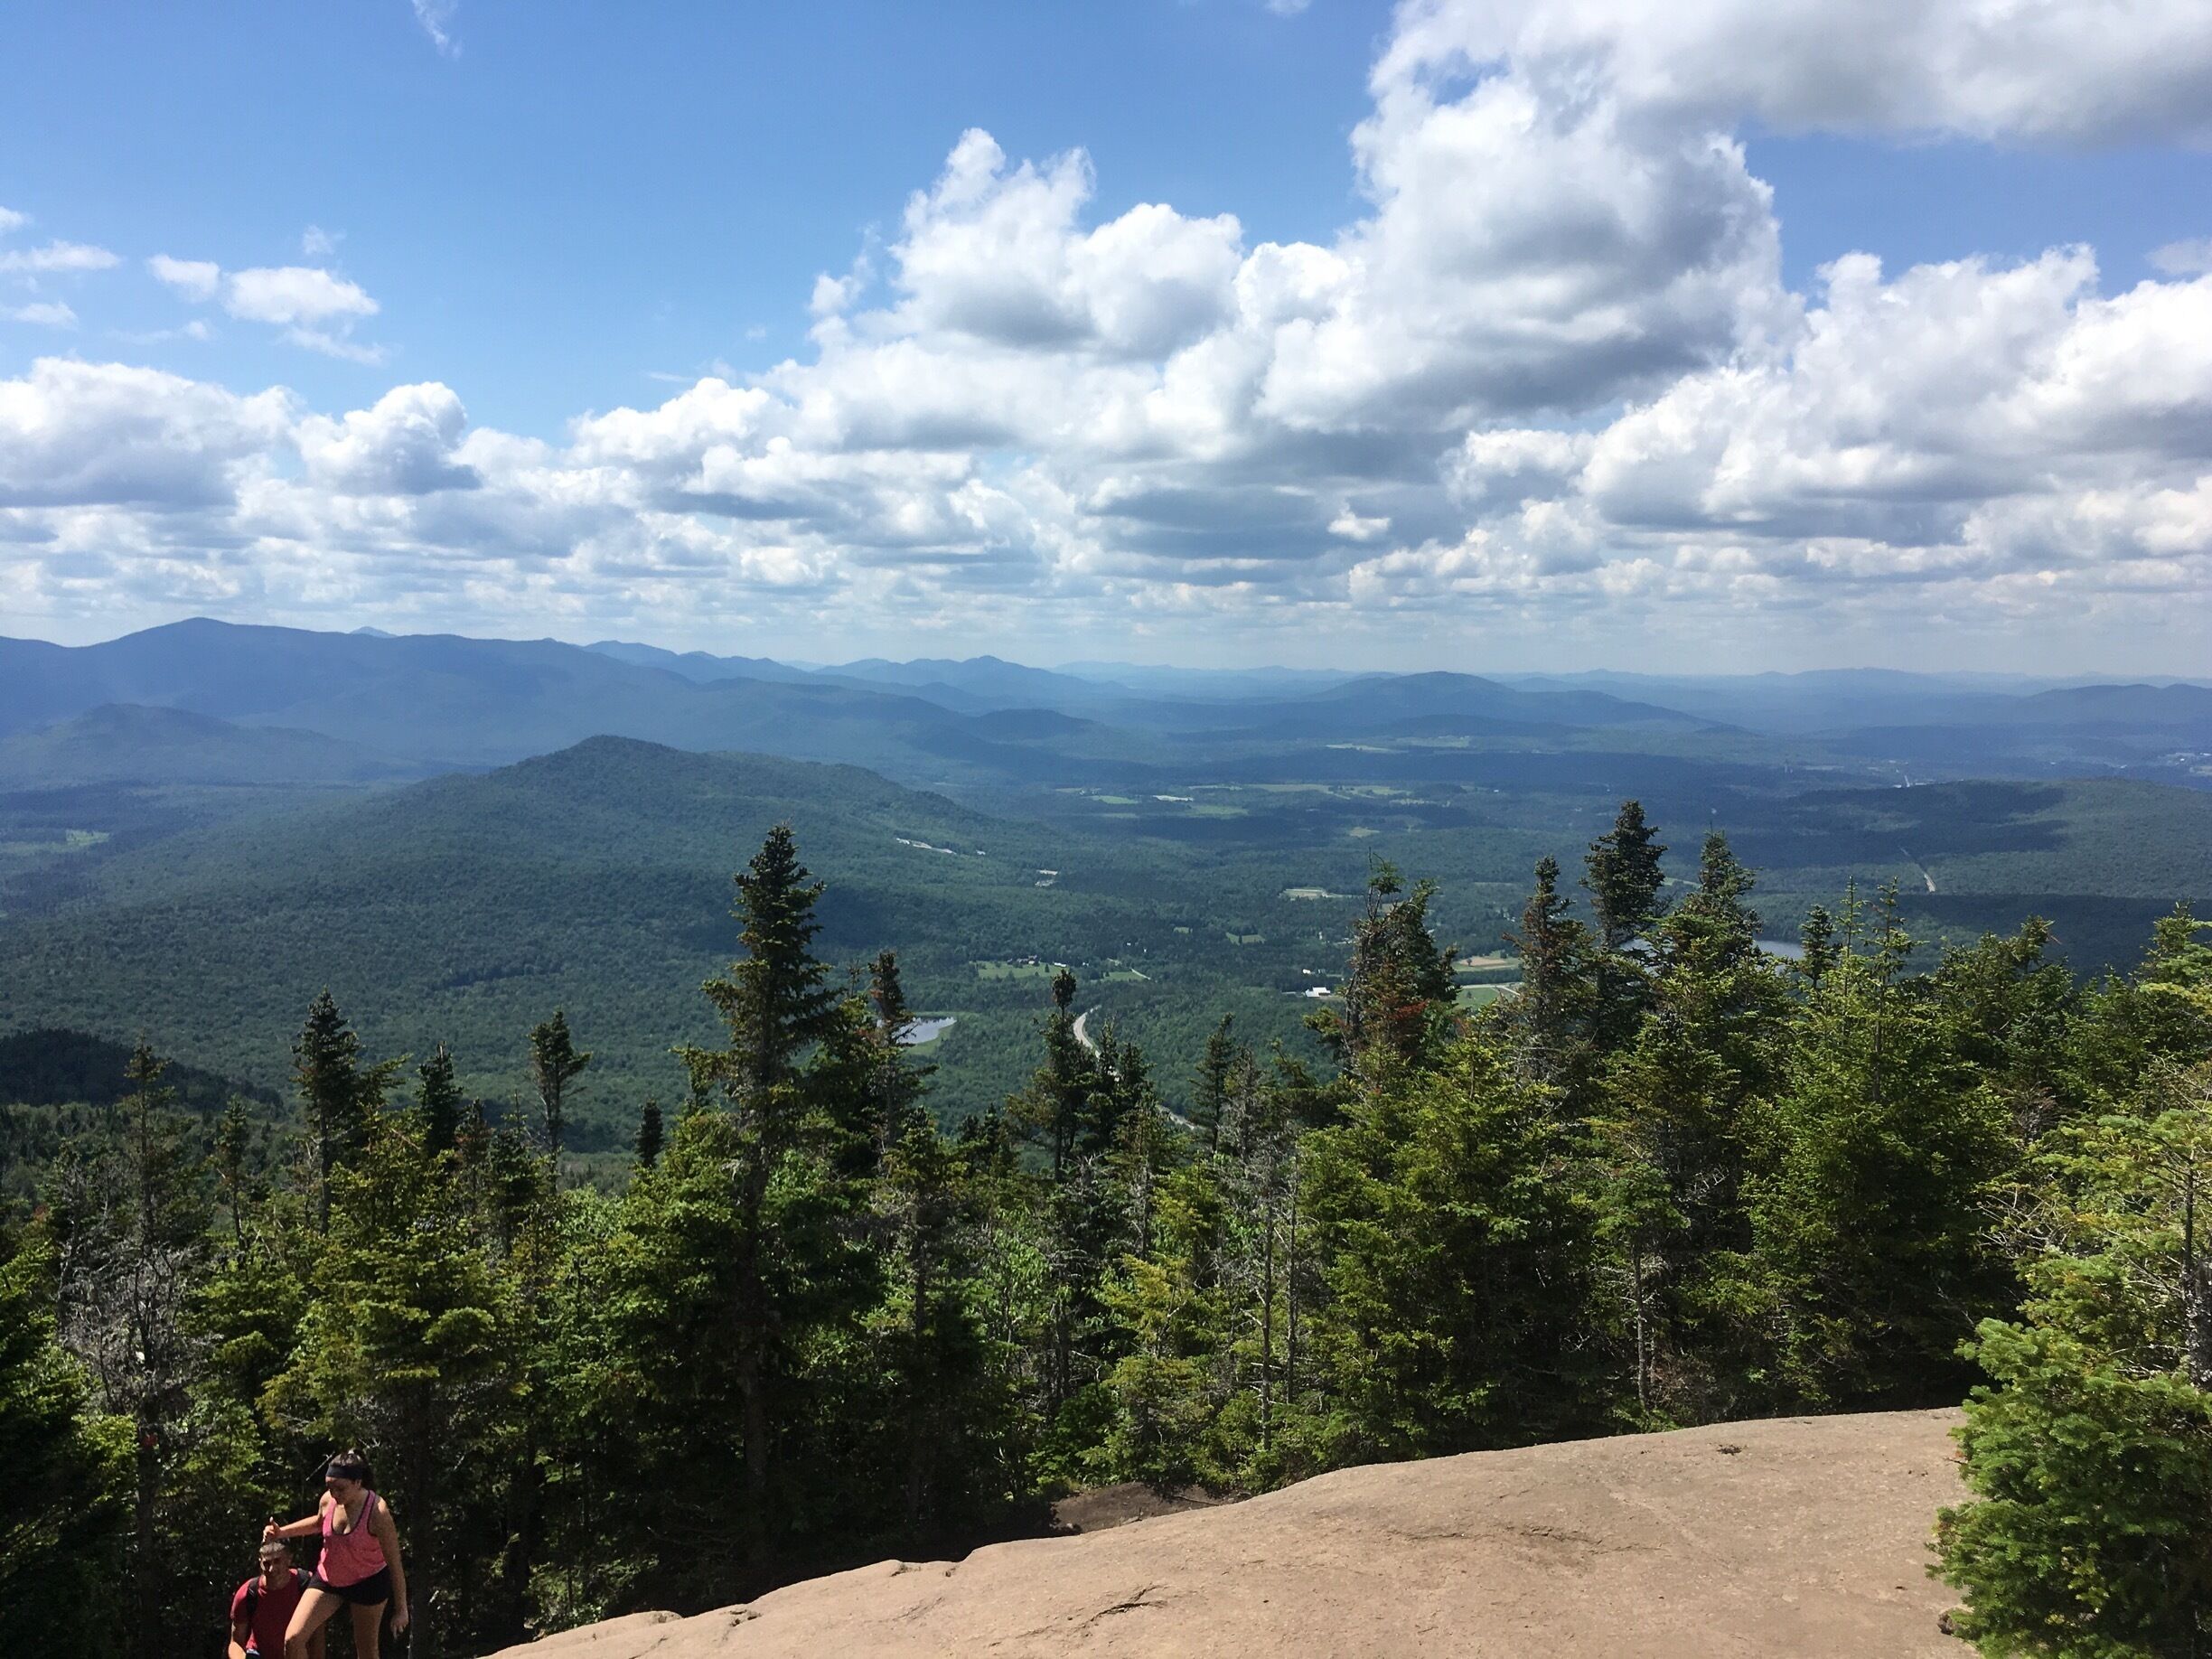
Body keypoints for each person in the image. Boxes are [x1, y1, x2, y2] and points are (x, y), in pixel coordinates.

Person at [262, 1449, 410, 1658]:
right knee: (293, 1639)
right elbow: (318, 1522)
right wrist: (282, 1532)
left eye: (340, 1489)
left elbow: (394, 1563)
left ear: (358, 1483)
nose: (334, 1494)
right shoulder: (328, 1500)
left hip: (368, 1581)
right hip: (330, 1578)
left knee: (367, 1653)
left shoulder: (377, 1512)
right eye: (330, 1487)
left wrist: (401, 1609)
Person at [227, 1537, 324, 1659]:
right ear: (260, 1562)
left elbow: (318, 1636)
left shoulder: (307, 1585)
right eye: (266, 1563)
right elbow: (236, 1642)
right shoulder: (248, 1593)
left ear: (289, 1559)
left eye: (277, 1561)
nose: (272, 1569)